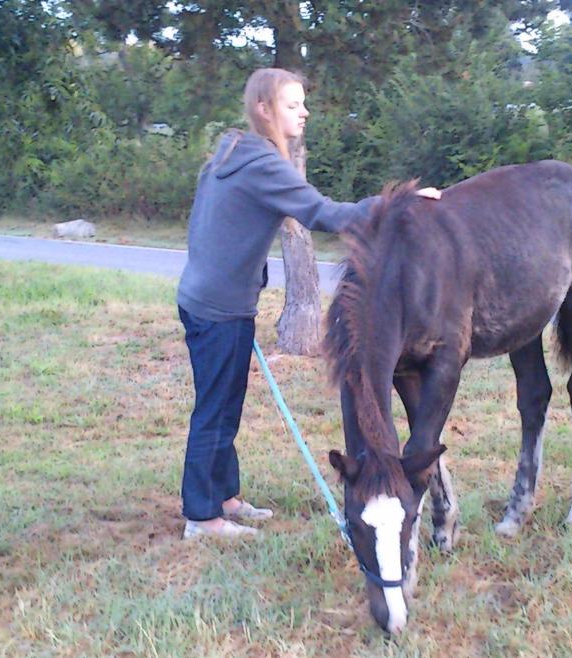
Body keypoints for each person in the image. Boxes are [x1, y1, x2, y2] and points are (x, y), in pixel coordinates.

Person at [175, 68, 440, 539]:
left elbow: (204, 225)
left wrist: (242, 280)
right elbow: (322, 212)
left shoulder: (230, 152)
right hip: (218, 308)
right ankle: (201, 516)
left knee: (225, 403)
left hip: (207, 298)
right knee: (215, 409)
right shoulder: (261, 163)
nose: (305, 112)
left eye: (303, 103)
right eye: (293, 104)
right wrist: (394, 204)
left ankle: (225, 496)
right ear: (264, 109)